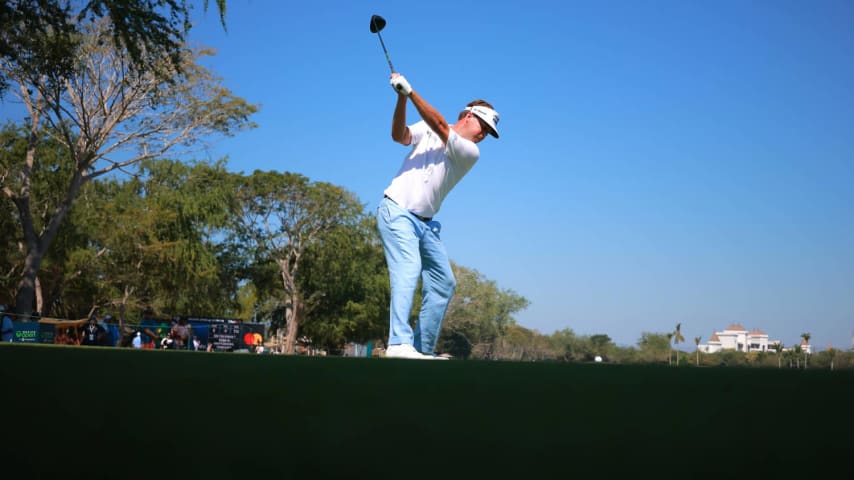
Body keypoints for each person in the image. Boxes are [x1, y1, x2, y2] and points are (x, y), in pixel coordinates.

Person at [378, 73, 500, 360]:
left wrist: (410, 92)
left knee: (444, 282)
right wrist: (400, 98)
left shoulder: (470, 152)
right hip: (396, 211)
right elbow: (400, 136)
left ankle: (420, 350)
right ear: (469, 116)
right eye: (484, 126)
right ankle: (398, 344)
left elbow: (441, 125)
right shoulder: (429, 127)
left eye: (489, 132)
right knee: (408, 268)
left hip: (427, 226)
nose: (484, 134)